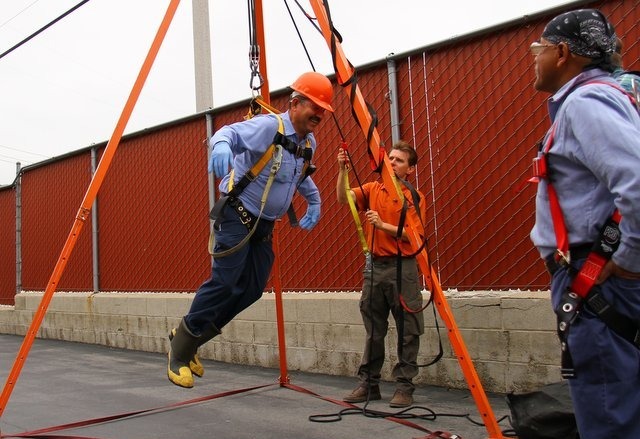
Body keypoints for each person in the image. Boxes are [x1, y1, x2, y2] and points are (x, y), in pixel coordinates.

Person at [167, 72, 334, 388]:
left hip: (263, 226)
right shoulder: (269, 127)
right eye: (315, 107)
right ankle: (179, 353)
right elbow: (226, 133)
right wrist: (220, 146)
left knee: (253, 288)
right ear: (295, 103)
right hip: (237, 216)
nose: (320, 115)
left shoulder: (307, 142)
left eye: (324, 110)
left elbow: (297, 175)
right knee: (225, 282)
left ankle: (189, 339)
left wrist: (314, 200)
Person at [529, 9, 640, 438]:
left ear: (562, 53)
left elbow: (635, 182)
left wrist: (628, 259)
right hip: (602, 282)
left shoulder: (585, 103)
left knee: (609, 416)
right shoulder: (619, 97)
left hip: (599, 283)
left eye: (538, 49)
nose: (533, 57)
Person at [336, 141, 426, 408]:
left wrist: (382, 225)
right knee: (374, 328)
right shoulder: (374, 189)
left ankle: (404, 387)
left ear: (409, 169)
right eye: (390, 158)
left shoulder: (413, 197)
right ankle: (369, 384)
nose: (392, 163)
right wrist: (343, 170)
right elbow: (344, 198)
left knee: (408, 330)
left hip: (403, 268)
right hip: (375, 267)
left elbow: (415, 237)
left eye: (398, 160)